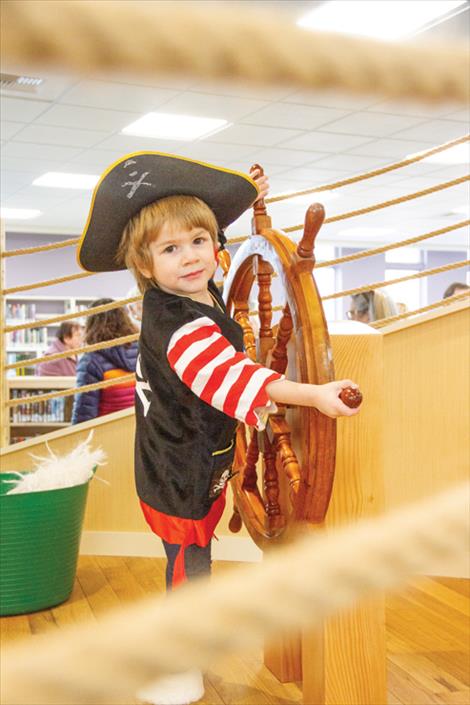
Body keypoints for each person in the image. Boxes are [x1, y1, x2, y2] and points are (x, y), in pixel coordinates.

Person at [77, 152, 360, 705]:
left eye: (200, 242)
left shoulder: (190, 286)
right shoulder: (179, 328)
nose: (191, 258)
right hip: (177, 472)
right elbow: (237, 375)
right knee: (190, 568)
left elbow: (206, 251)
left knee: (191, 559)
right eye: (170, 249)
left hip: (195, 456)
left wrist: (244, 197)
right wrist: (313, 395)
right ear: (145, 266)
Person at [71, 299, 138, 424]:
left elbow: (84, 412)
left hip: (105, 434)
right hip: (137, 432)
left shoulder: (91, 360)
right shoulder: (141, 351)